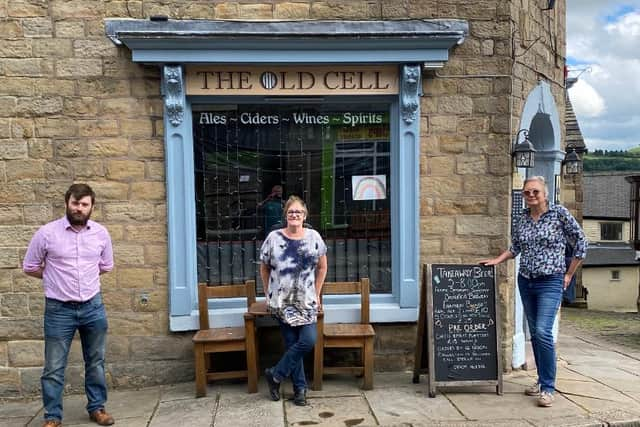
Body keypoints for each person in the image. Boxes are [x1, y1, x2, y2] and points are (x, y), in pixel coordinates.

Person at [480, 176, 586, 408]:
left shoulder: (559, 214)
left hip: (551, 281)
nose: (531, 195)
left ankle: (548, 387)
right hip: (526, 281)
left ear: (545, 194)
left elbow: (580, 242)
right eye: (526, 192)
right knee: (536, 334)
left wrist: (569, 274)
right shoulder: (522, 219)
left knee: (542, 331)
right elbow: (515, 247)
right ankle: (541, 381)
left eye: (535, 191)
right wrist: (497, 260)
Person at [23, 184, 115, 427]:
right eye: (75, 203)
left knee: (95, 362)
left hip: (93, 307)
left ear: (92, 207)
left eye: (84, 204)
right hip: (58, 310)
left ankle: (97, 408)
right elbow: (30, 266)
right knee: (53, 367)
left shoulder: (101, 234)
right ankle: (52, 417)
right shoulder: (46, 233)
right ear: (67, 203)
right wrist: (54, 277)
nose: (79, 208)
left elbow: (105, 266)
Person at [259, 195, 327, 406]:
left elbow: (322, 266)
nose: (294, 215)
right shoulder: (273, 238)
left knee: (307, 340)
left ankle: (275, 374)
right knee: (291, 344)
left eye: (298, 212)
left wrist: (317, 292)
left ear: (305, 215)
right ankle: (300, 390)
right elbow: (264, 266)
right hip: (282, 302)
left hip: (306, 302)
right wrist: (267, 291)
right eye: (291, 212)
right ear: (285, 215)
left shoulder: (314, 237)